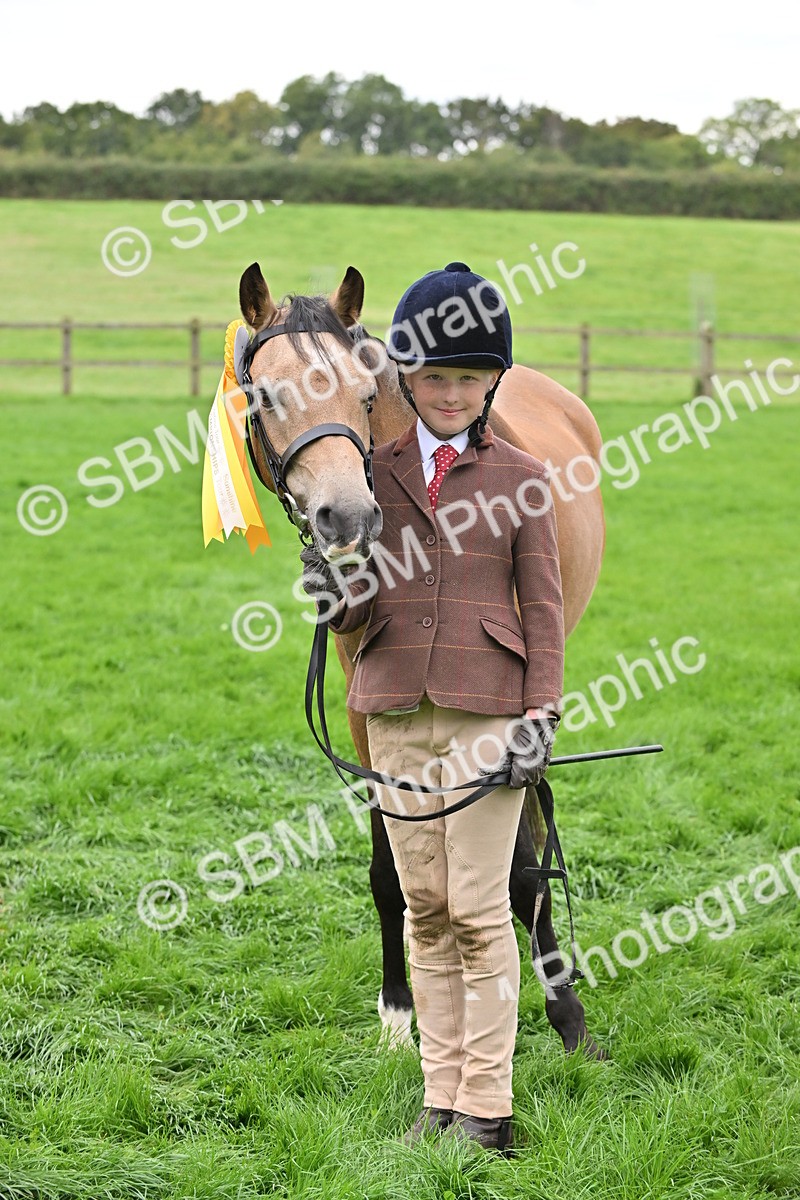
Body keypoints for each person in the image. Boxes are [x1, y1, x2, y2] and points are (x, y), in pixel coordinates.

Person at [303, 262, 564, 1155]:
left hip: (488, 717)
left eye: (470, 378)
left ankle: (487, 1108)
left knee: (480, 914)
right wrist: (333, 594)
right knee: (425, 912)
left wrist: (540, 719)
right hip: (395, 714)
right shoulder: (368, 476)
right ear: (405, 381)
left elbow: (545, 614)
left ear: (493, 383)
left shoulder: (525, 477)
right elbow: (360, 611)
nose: (452, 394)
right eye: (435, 378)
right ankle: (440, 1098)